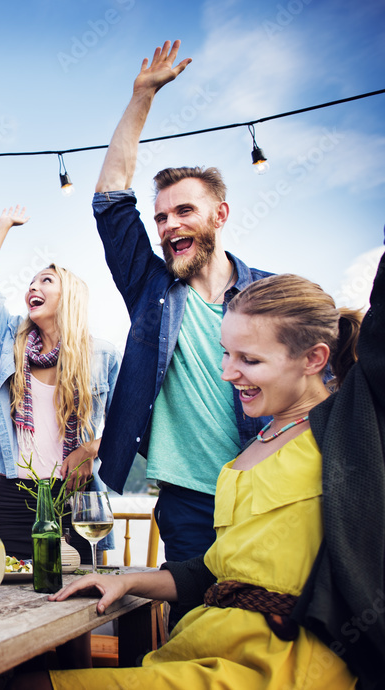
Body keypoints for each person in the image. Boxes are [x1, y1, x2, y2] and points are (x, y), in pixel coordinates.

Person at [25, 268, 379, 689]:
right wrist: (124, 580)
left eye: (250, 360)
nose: (228, 372)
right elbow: (214, 572)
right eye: (225, 353)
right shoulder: (250, 449)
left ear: (314, 359)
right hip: (201, 647)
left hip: (278, 667)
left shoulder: (350, 431)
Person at [91, 41, 272, 565]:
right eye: (162, 218)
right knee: (195, 622)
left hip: (262, 490)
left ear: (220, 215)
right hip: (187, 501)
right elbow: (109, 200)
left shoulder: (267, 296)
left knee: (265, 625)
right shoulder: (151, 289)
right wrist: (141, 97)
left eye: (184, 212)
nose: (170, 226)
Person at [0, 206, 119, 564]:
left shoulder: (102, 355)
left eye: (46, 281)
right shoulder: (13, 337)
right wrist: (3, 223)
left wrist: (90, 450)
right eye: (31, 282)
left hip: (73, 494)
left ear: (69, 297)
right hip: (13, 493)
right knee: (6, 591)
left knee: (75, 595)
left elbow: (129, 423)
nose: (33, 286)